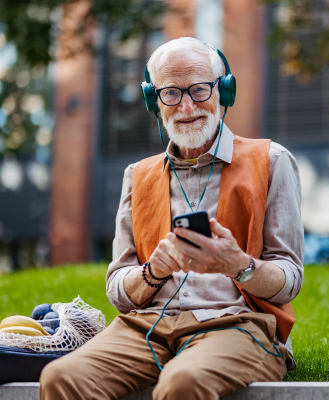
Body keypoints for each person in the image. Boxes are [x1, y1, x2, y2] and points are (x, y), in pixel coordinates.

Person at [39, 37, 304, 400]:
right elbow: (118, 288)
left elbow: (290, 279)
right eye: (171, 94)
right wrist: (154, 271)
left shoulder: (272, 160)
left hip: (238, 324)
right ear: (154, 102)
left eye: (198, 89)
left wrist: (239, 264)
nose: (186, 105)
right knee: (60, 377)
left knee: (183, 383)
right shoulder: (138, 174)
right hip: (145, 327)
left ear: (223, 91)